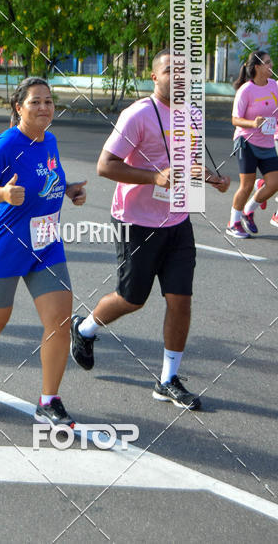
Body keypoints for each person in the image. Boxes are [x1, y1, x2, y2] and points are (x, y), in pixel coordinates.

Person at [70, 50, 230, 411]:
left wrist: (211, 178)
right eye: (170, 71)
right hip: (136, 221)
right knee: (131, 299)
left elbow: (188, 162)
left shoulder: (191, 114)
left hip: (177, 221)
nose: (179, 77)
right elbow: (104, 166)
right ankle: (84, 328)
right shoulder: (138, 114)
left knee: (181, 300)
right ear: (154, 77)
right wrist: (153, 177)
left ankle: (168, 379)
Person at [0, 77, 87, 425]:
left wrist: (68, 190)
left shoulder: (50, 140)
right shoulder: (6, 144)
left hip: (46, 246)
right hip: (5, 246)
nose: (44, 107)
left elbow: (46, 181)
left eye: (49, 101)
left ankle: (49, 401)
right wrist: (1, 194)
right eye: (36, 102)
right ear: (19, 107)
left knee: (59, 322)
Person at [225, 50, 278, 237]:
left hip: (267, 142)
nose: (271, 65)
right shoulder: (246, 90)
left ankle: (248, 210)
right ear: (257, 67)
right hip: (246, 141)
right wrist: (253, 123)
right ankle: (233, 223)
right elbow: (235, 119)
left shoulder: (274, 86)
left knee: (274, 183)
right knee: (246, 185)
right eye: (267, 62)